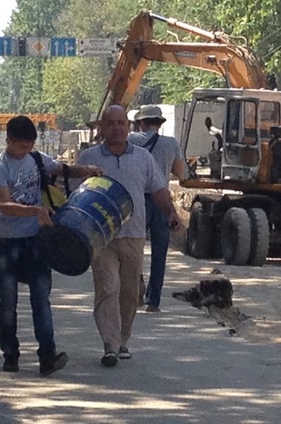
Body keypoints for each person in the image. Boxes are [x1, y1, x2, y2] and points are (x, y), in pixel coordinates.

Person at [0, 115, 102, 376]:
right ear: (9, 141)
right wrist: (35, 211)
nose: (25, 151)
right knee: (8, 301)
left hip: (37, 242)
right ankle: (10, 353)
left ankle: (47, 355)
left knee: (41, 299)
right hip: (8, 244)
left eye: (29, 146)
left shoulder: (36, 159)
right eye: (21, 147)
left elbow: (60, 169)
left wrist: (87, 170)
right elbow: (4, 205)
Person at [77, 104, 182, 368]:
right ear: (102, 128)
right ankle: (110, 345)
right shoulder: (89, 158)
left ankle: (123, 340)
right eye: (110, 123)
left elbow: (158, 190)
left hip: (134, 235)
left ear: (129, 126)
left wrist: (170, 213)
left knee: (129, 291)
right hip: (101, 237)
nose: (116, 128)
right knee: (107, 288)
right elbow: (73, 195)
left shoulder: (143, 158)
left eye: (121, 123)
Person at [129, 105, 187, 313]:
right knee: (159, 252)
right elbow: (180, 172)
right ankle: (154, 301)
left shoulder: (132, 141)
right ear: (160, 123)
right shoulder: (171, 143)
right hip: (162, 200)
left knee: (133, 247)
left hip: (138, 199)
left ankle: (136, 285)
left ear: (141, 123)